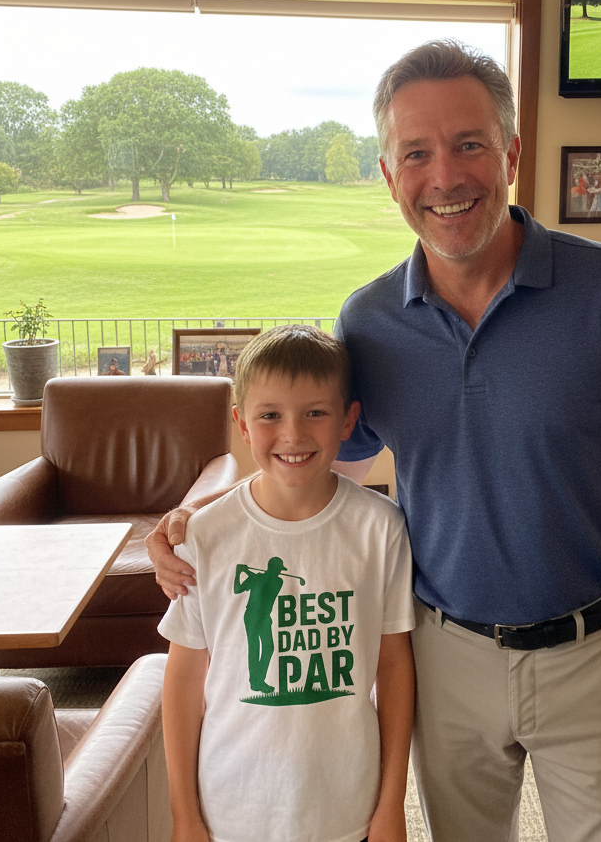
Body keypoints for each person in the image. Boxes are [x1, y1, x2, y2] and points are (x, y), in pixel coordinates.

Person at [149, 40, 601, 842]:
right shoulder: (368, 322)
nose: (445, 177)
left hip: (599, 653)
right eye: (416, 153)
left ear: (511, 153)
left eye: (469, 145)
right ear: (390, 174)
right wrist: (198, 513)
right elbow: (294, 456)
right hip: (444, 657)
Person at [159, 325, 415, 842]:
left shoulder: (380, 527)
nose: (293, 435)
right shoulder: (204, 534)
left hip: (347, 806)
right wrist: (184, 815)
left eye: (315, 413)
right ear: (242, 424)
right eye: (270, 415)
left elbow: (393, 667)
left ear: (348, 421)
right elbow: (185, 680)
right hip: (233, 805)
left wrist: (392, 806)